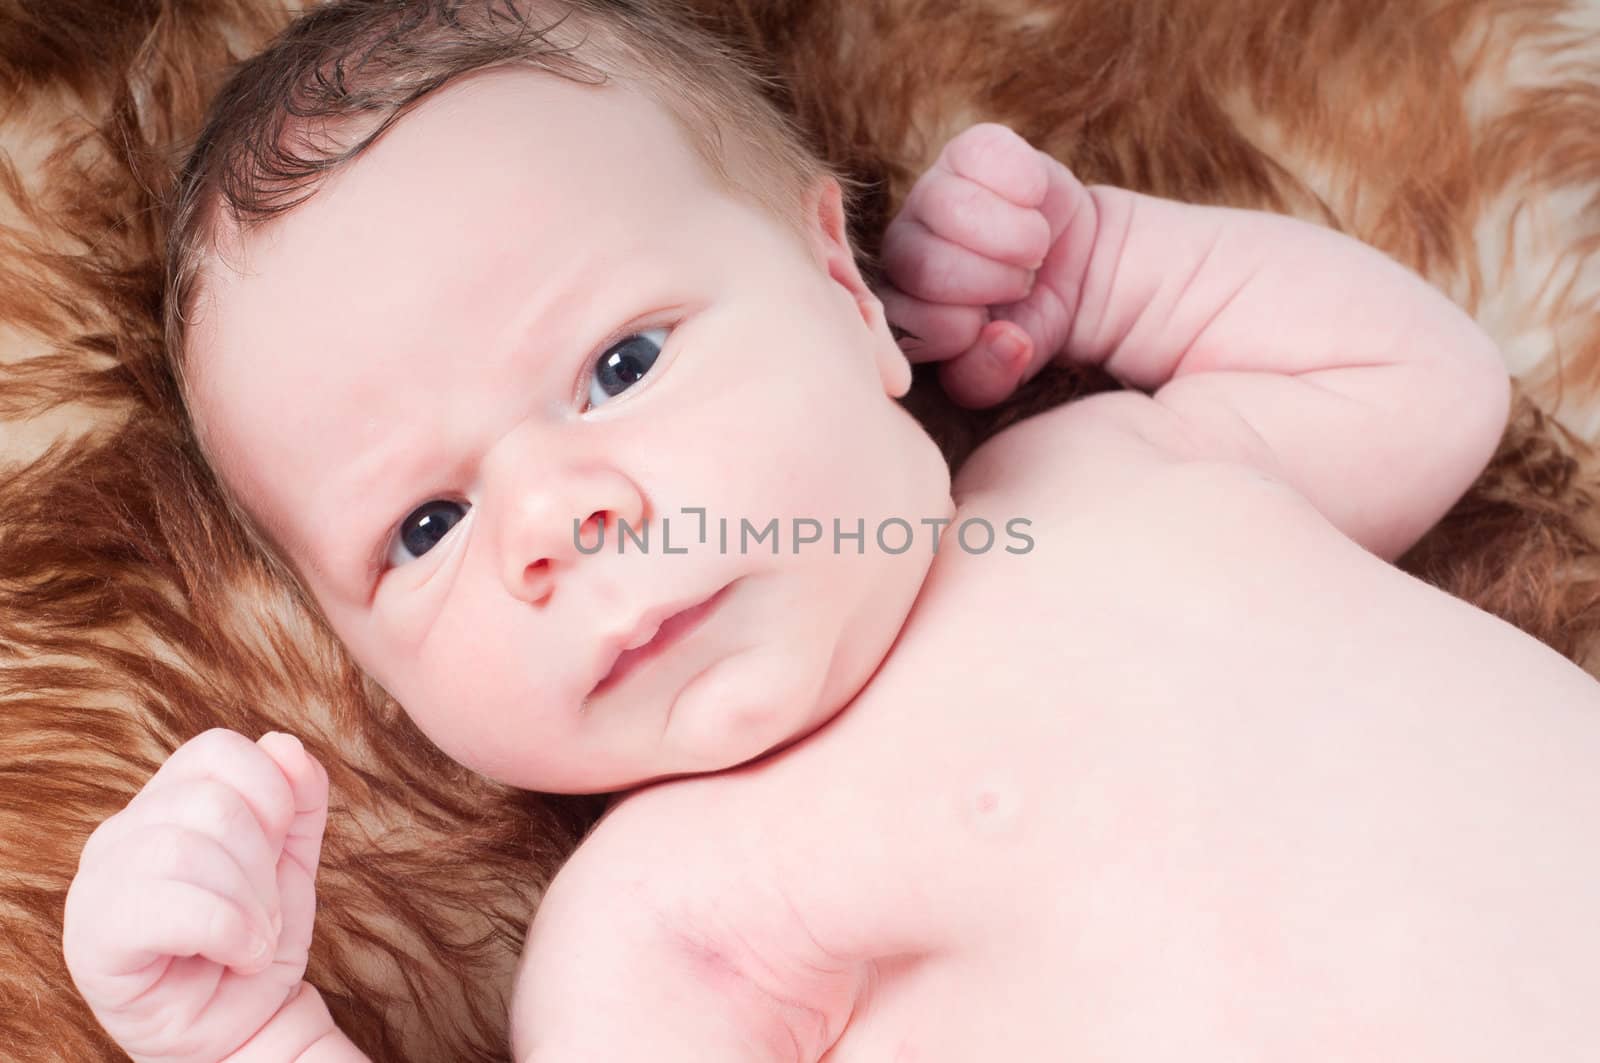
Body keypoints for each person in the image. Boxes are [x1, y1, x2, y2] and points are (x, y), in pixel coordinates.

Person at [62, 1, 1600, 1060]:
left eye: (621, 365)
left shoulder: (1111, 466)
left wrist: (1110, 269)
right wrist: (249, 1032)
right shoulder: (658, 920)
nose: (551, 517)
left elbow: (1423, 387)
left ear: (847, 291)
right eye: (427, 525)